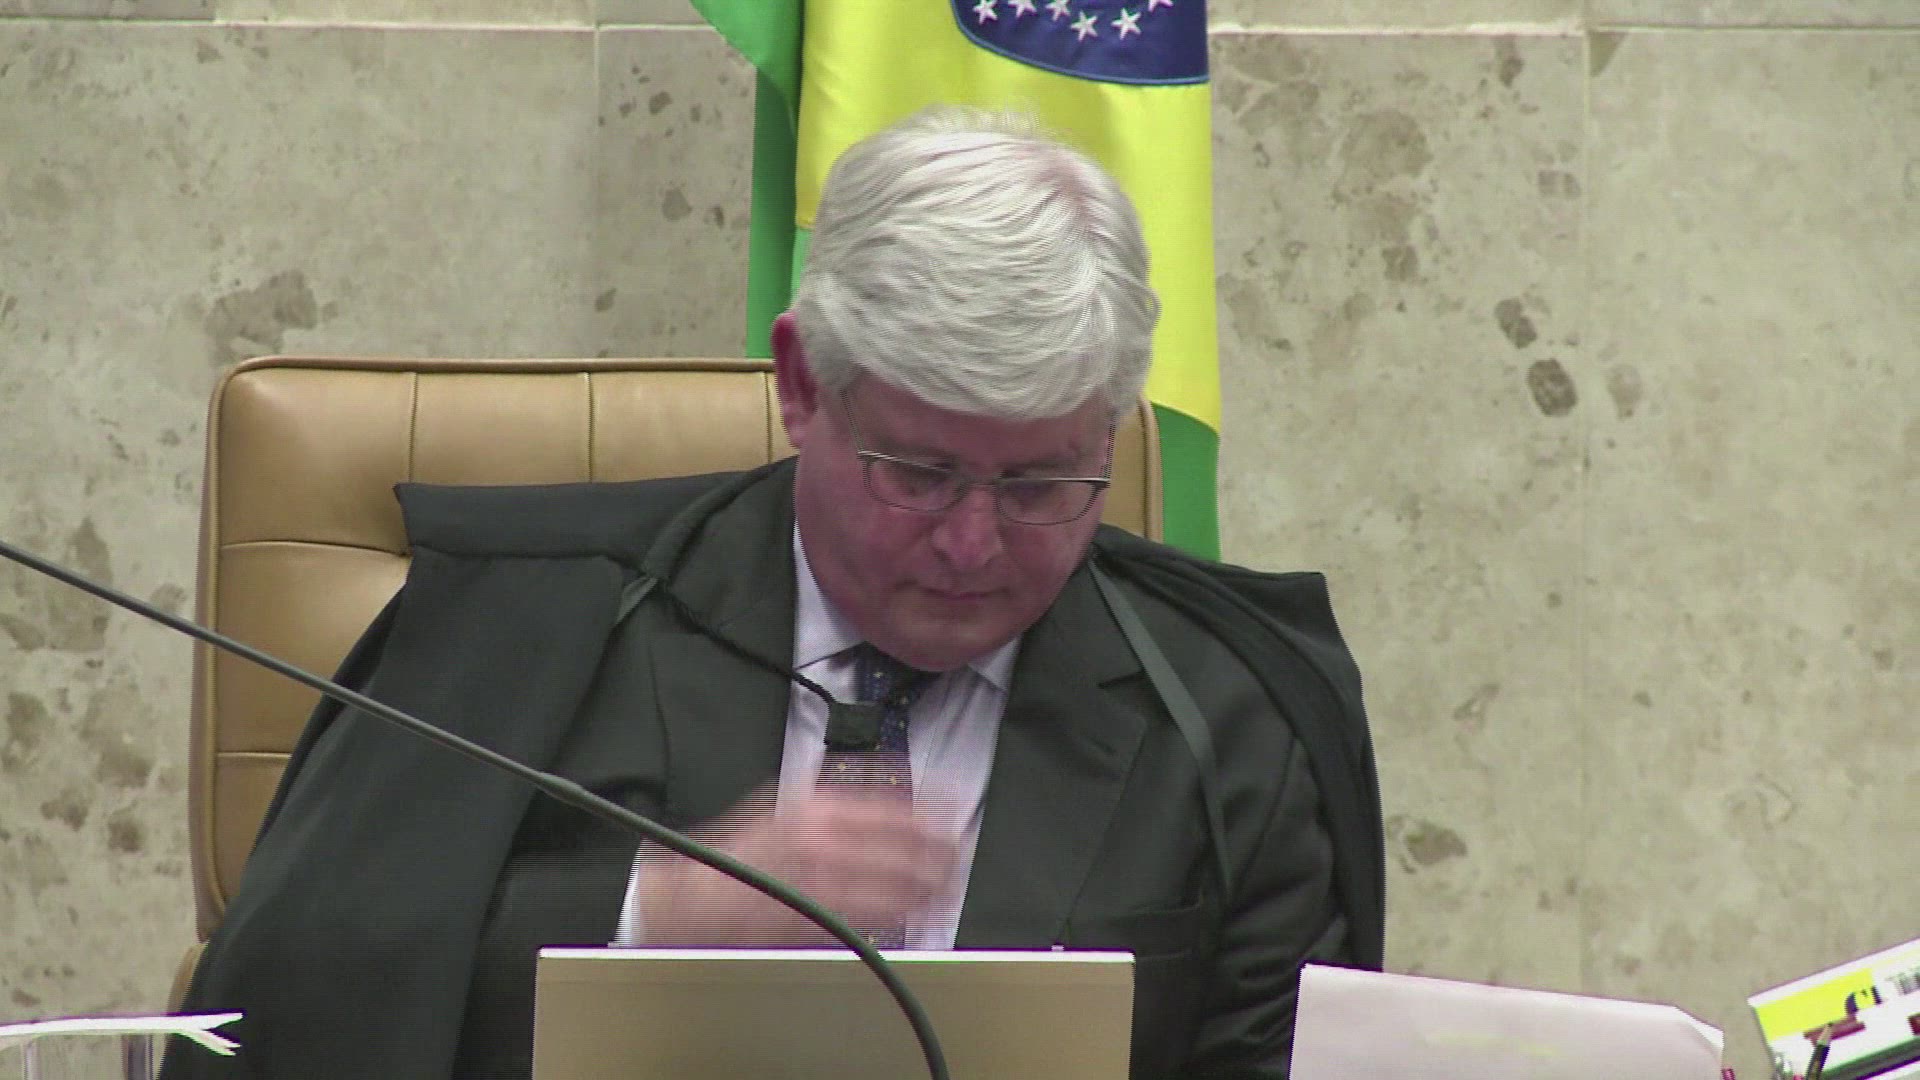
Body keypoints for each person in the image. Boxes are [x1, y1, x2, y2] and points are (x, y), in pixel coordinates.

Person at [163, 107, 1384, 1079]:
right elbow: (268, 1011)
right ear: (802, 385)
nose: (973, 544)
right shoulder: (529, 620)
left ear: (1110, 431)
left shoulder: (1233, 707)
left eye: (1039, 484)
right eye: (921, 473)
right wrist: (654, 913)